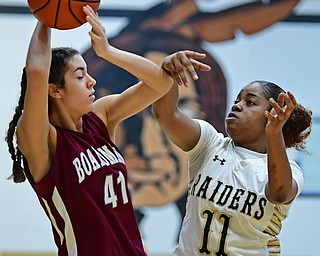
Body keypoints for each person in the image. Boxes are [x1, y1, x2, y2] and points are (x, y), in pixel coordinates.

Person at [5, 5, 180, 256]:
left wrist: (108, 51)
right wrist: (48, 14)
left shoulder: (101, 117)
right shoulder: (44, 140)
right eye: (80, 76)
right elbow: (36, 70)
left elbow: (161, 83)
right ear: (54, 90)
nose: (92, 81)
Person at [152, 51, 312, 255]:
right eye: (238, 100)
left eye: (250, 102)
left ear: (272, 115)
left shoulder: (289, 170)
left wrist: (274, 133)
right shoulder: (210, 143)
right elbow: (166, 115)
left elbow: (279, 193)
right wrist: (167, 72)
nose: (237, 105)